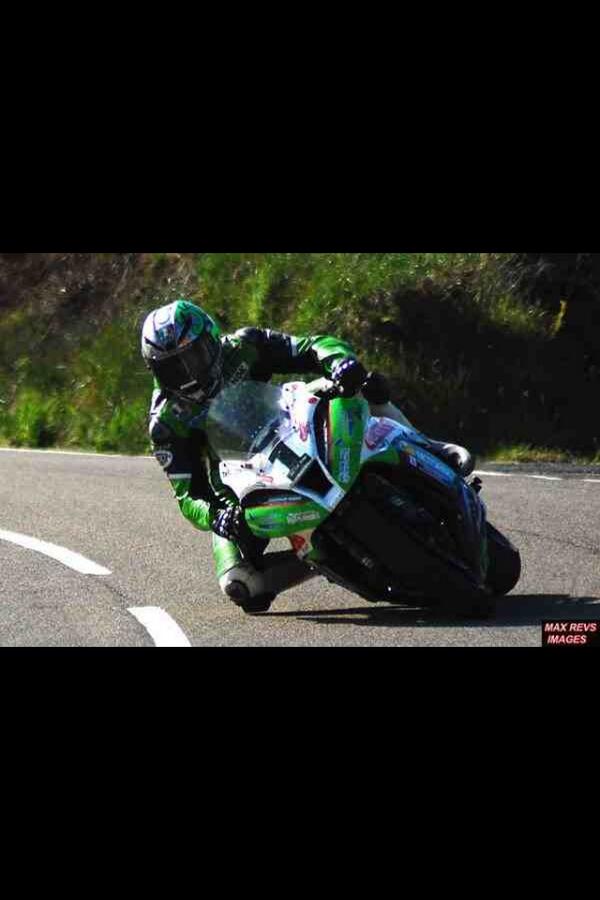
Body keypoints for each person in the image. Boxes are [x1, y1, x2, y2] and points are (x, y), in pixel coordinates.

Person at [141, 299, 474, 613]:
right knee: (240, 585)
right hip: (239, 482)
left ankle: (430, 447)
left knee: (361, 385)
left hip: (289, 423)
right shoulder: (166, 422)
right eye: (173, 368)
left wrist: (340, 362)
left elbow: (310, 346)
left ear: (211, 340)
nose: (188, 374)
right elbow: (188, 495)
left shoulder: (244, 346)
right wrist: (216, 515)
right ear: (156, 371)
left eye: (194, 357)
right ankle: (318, 557)